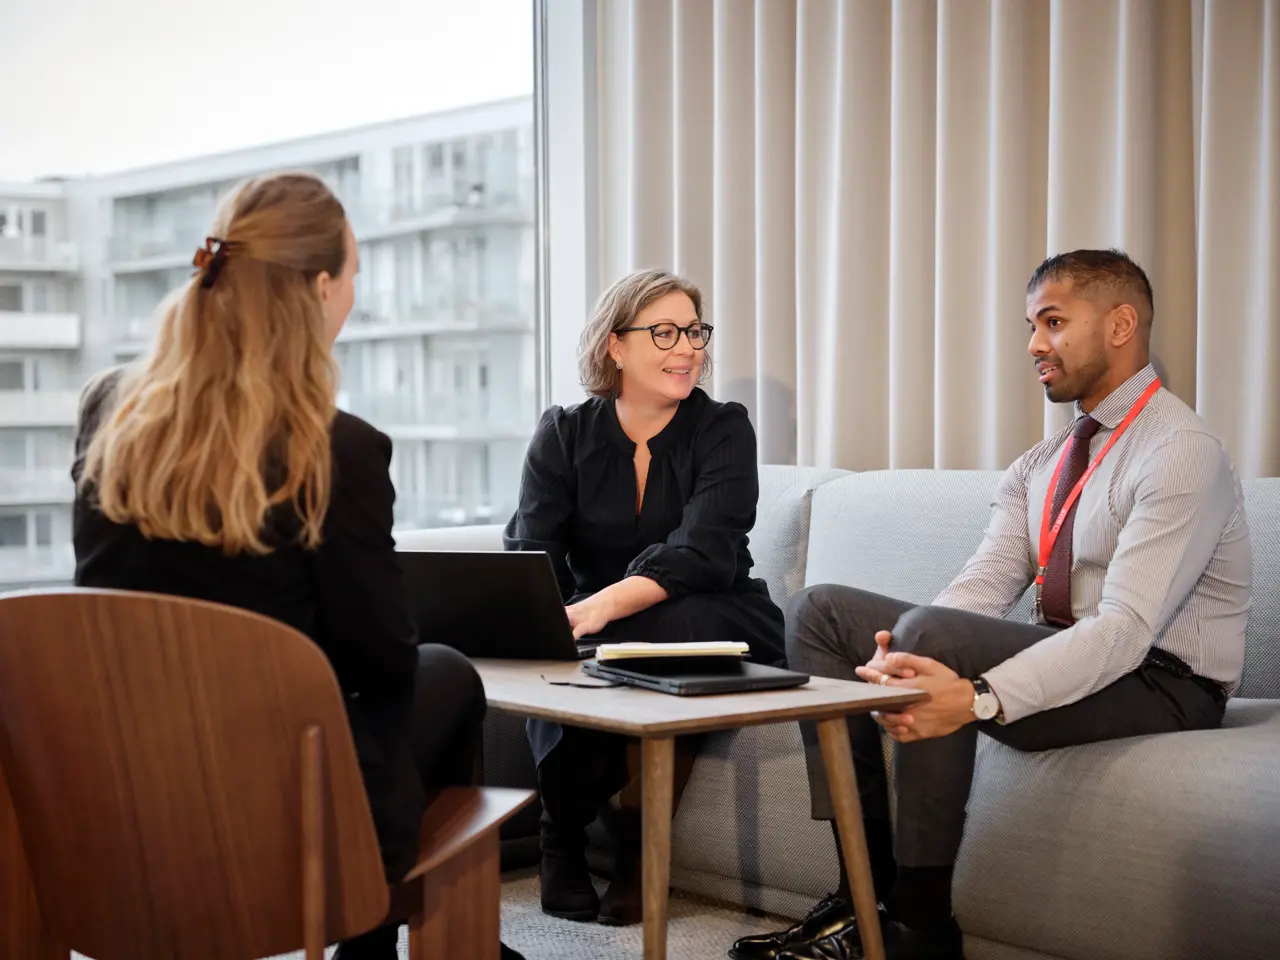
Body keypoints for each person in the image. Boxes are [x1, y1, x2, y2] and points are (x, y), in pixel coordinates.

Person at [731, 249, 1250, 960]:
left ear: (1122, 324)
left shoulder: (1180, 450)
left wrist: (975, 698)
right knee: (819, 611)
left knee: (931, 635)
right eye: (1031, 325)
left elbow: (1126, 632)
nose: (1034, 344)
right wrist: (899, 656)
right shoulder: (1043, 463)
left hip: (1164, 683)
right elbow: (980, 586)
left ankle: (919, 929)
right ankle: (864, 890)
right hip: (1075, 655)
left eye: (1054, 322)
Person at [71, 172, 523, 960]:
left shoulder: (113, 412)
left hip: (124, 801)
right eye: (353, 276)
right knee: (445, 672)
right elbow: (381, 659)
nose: (353, 295)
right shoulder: (336, 447)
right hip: (280, 816)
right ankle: (379, 935)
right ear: (319, 288)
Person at [504, 268, 786, 926]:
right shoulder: (563, 432)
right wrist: (552, 615)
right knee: (569, 647)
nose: (687, 348)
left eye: (694, 331)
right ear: (616, 345)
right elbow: (532, 548)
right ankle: (561, 838)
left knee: (661, 625)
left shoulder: (724, 428)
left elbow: (706, 547)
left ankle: (636, 852)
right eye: (664, 332)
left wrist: (600, 606)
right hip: (597, 621)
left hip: (715, 611)